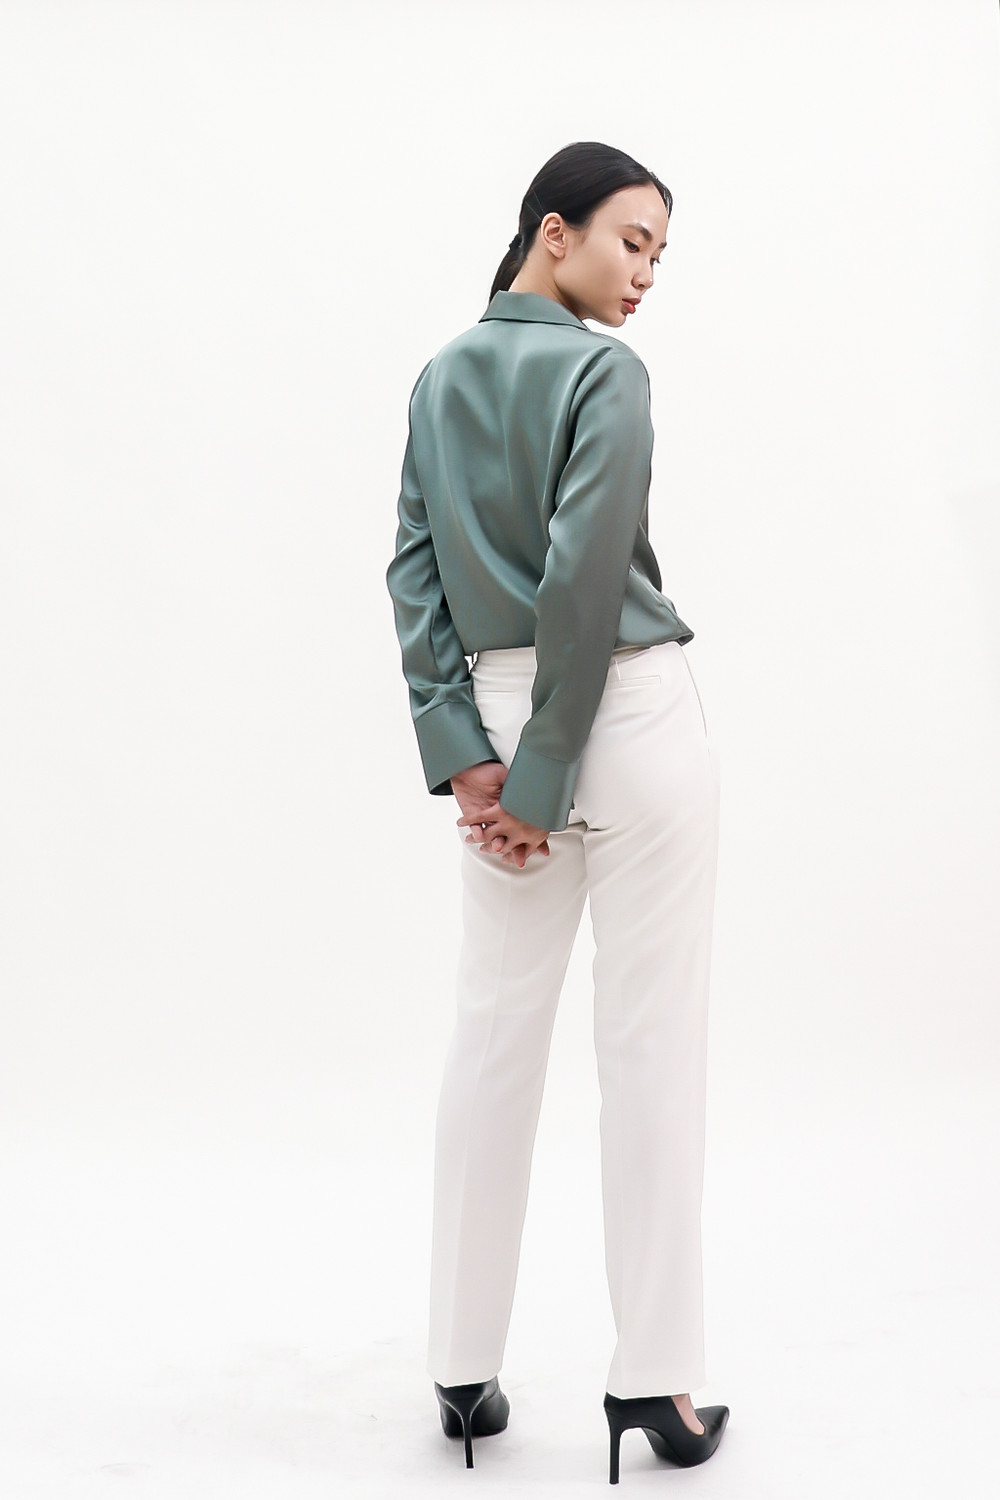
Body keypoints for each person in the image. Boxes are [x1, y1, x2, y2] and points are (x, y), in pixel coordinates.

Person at [385, 140, 729, 1484]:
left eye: (659, 255)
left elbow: (415, 573)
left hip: (493, 722)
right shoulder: (607, 374)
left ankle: (459, 1367)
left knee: (492, 1038)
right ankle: (655, 1384)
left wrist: (469, 754)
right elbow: (586, 582)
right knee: (650, 1051)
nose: (645, 275)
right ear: (552, 230)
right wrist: (542, 780)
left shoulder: (440, 375)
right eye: (632, 241)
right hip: (626, 724)